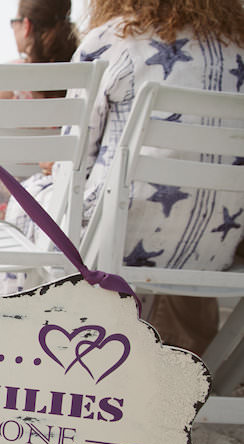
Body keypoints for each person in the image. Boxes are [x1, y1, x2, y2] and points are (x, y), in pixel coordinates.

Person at [63, 0, 243, 352]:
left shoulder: (113, 40)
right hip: (212, 252)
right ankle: (186, 366)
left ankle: (33, 343)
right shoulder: (238, 48)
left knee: (28, 208)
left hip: (115, 245)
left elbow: (74, 162)